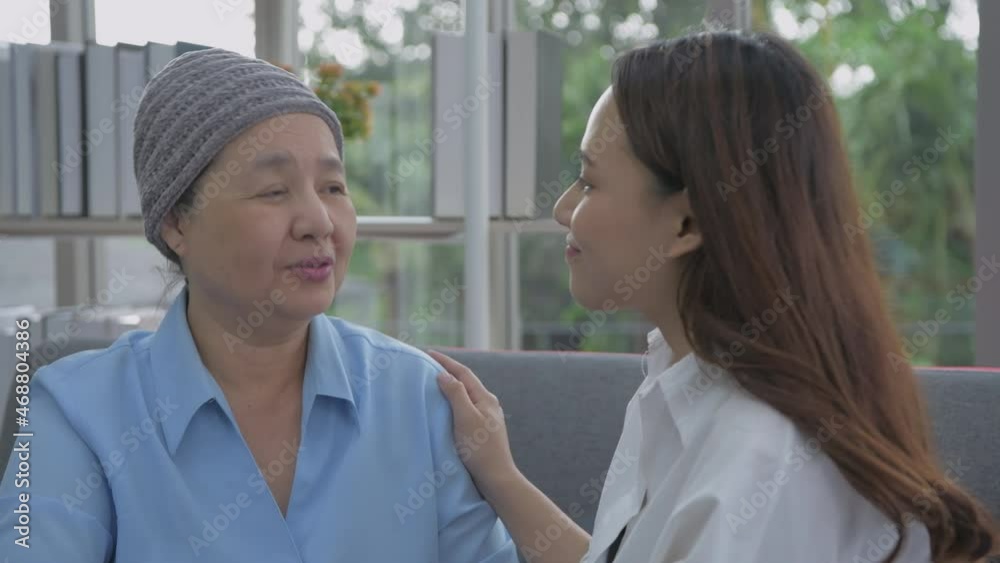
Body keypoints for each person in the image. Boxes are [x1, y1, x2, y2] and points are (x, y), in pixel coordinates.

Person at [431, 31, 999, 563]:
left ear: (686, 224)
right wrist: (498, 475)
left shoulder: (761, 465)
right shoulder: (680, 386)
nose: (562, 210)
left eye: (589, 179)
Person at [0, 48, 517, 562]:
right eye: (273, 191)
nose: (319, 221)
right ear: (177, 224)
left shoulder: (419, 396)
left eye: (333, 187)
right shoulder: (71, 408)